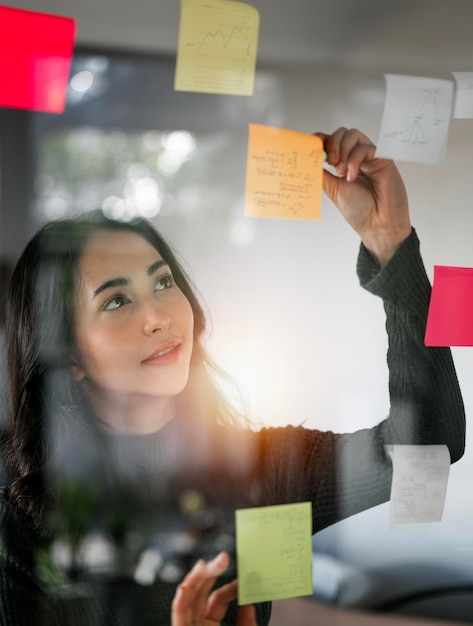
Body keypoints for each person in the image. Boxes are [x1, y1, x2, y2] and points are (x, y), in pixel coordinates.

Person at [0, 127, 465, 626]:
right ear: (67, 355)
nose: (159, 315)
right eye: (116, 300)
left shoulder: (262, 474)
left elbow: (430, 447)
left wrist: (389, 241)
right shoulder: (25, 531)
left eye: (163, 282)